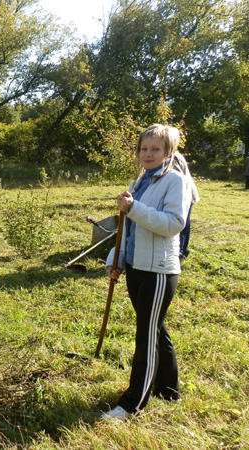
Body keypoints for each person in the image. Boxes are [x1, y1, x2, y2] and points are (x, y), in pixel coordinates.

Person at [102, 124, 191, 420]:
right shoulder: (141, 181)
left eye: (155, 149)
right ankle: (169, 389)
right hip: (137, 267)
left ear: (168, 152)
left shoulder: (174, 181)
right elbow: (128, 230)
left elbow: (172, 224)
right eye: (144, 148)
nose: (148, 154)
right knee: (154, 327)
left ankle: (132, 404)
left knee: (147, 335)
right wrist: (117, 259)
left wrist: (134, 208)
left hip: (158, 270)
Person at [168, 128, 199, 259]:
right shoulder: (174, 155)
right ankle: (183, 250)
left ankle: (180, 252)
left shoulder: (172, 158)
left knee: (182, 224)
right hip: (185, 194)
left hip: (184, 195)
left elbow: (177, 181)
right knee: (185, 223)